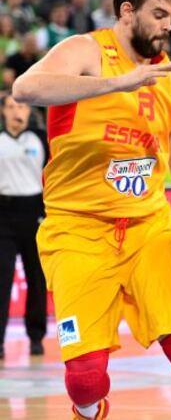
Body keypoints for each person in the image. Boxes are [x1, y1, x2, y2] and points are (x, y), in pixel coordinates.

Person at [12, 0, 171, 420]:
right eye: (158, 15)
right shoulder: (86, 50)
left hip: (148, 230)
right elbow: (26, 89)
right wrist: (117, 84)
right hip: (77, 231)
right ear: (128, 11)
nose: (168, 26)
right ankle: (92, 407)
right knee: (85, 381)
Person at [0, 93, 48, 358]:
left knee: (36, 278)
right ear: (3, 112)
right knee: (2, 279)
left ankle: (36, 337)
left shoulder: (40, 140)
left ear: (29, 110)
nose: (15, 111)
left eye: (20, 106)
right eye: (10, 107)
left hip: (33, 213)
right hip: (4, 214)